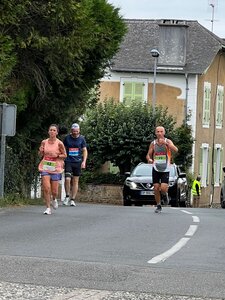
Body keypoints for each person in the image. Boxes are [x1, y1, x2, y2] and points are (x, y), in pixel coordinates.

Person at [146, 126, 178, 213]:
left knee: (163, 188)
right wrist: (149, 159)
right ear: (155, 133)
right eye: (158, 132)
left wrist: (166, 144)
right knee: (156, 188)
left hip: (165, 169)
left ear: (164, 133)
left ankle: (165, 194)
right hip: (156, 168)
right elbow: (148, 154)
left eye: (161, 131)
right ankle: (159, 205)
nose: (159, 133)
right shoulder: (153, 143)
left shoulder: (168, 141)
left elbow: (176, 149)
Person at [38, 124, 67, 215]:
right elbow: (40, 154)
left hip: (55, 167)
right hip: (45, 166)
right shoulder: (44, 142)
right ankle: (48, 208)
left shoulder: (59, 143)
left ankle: (54, 199)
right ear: (48, 131)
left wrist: (57, 155)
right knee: (46, 188)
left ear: (57, 132)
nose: (52, 132)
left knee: (54, 191)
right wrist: (41, 151)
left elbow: (65, 155)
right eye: (50, 130)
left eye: (54, 130)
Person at [63, 123, 88, 206]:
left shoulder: (82, 139)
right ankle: (67, 196)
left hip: (77, 162)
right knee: (67, 179)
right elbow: (62, 149)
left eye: (77, 131)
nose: (75, 133)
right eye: (74, 131)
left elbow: (84, 150)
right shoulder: (67, 138)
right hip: (68, 161)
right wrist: (62, 159)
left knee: (75, 181)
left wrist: (84, 161)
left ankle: (73, 199)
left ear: (79, 131)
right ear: (71, 131)